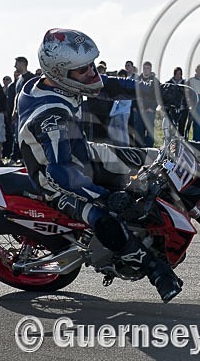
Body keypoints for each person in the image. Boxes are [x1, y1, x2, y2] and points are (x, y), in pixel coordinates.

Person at [17, 28, 182, 302]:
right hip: (55, 177)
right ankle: (153, 267)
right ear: (60, 72)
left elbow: (110, 86)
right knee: (104, 217)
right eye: (84, 70)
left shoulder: (60, 81)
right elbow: (62, 171)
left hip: (81, 151)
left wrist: (161, 92)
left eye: (92, 64)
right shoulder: (51, 115)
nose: (92, 73)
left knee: (156, 158)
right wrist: (105, 197)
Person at [130, 61, 158, 148]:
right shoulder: (137, 80)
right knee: (138, 131)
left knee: (149, 132)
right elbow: (133, 94)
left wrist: (152, 108)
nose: (146, 70)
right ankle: (138, 150)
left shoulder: (155, 81)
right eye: (144, 68)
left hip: (149, 110)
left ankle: (149, 149)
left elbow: (158, 97)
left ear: (151, 69)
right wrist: (134, 107)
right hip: (138, 110)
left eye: (148, 68)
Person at [160, 67, 190, 137]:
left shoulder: (185, 84)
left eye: (180, 74)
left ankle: (181, 144)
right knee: (171, 128)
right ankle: (171, 143)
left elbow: (189, 96)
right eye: (177, 74)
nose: (178, 75)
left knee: (181, 128)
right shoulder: (168, 84)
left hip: (183, 109)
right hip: (171, 110)